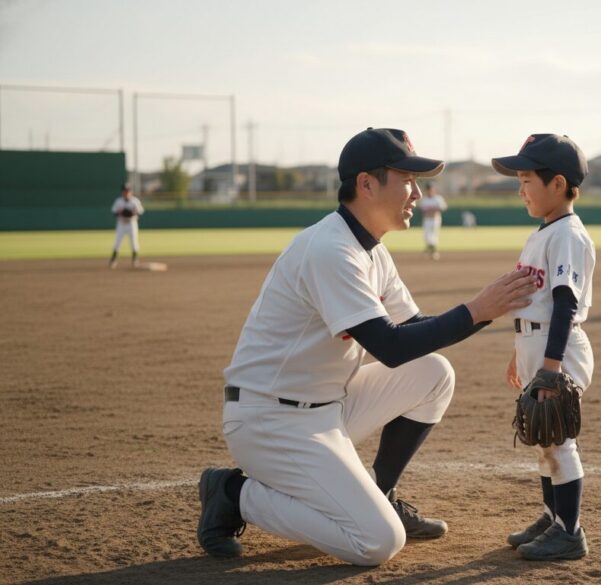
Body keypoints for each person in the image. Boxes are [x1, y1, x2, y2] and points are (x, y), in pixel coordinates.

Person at [197, 128, 537, 566]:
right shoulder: (330, 249)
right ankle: (234, 493)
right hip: (271, 421)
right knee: (377, 541)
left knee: (433, 373)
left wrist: (486, 311)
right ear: (366, 184)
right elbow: (389, 346)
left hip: (327, 409)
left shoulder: (371, 250)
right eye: (407, 180)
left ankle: (382, 491)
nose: (417, 193)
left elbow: (413, 329)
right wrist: (476, 309)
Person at [491, 134, 595, 561]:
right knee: (542, 435)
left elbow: (564, 304)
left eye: (527, 179)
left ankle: (569, 532)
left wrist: (550, 369)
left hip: (559, 347)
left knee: (557, 437)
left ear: (558, 184)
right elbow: (536, 302)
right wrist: (520, 353)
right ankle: (554, 517)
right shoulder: (546, 232)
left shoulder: (567, 234)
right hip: (537, 343)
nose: (521, 189)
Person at [109, 183, 144, 268]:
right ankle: (113, 260)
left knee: (134, 242)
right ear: (122, 192)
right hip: (121, 224)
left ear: (131, 192)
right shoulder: (118, 201)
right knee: (117, 242)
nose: (126, 192)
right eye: (125, 191)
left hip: (132, 224)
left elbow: (140, 211)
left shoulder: (135, 201)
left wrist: (132, 212)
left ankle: (135, 260)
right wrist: (120, 212)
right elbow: (114, 212)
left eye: (128, 191)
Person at [419, 182, 448, 260]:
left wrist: (433, 209)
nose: (429, 190)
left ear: (433, 189)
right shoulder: (425, 200)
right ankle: (430, 249)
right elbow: (422, 210)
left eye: (430, 189)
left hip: (435, 219)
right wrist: (431, 210)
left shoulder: (438, 198)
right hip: (427, 219)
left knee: (434, 235)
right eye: (428, 189)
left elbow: (443, 207)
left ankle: (433, 251)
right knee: (426, 236)